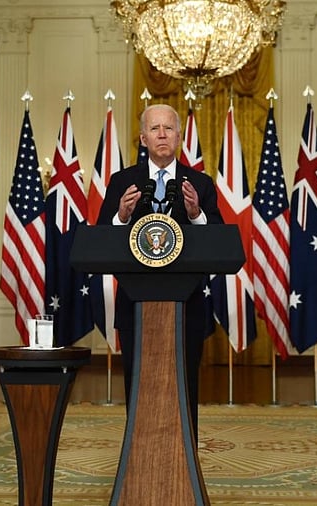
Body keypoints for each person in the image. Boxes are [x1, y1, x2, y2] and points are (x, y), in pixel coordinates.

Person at [97, 104, 223, 435]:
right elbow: (100, 240)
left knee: (185, 387)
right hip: (135, 307)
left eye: (169, 128)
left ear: (179, 136)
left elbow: (219, 242)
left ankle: (186, 464)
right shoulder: (122, 182)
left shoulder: (200, 184)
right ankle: (136, 459)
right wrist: (121, 217)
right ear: (143, 138)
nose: (162, 134)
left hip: (187, 308)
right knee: (138, 387)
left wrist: (196, 214)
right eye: (155, 129)